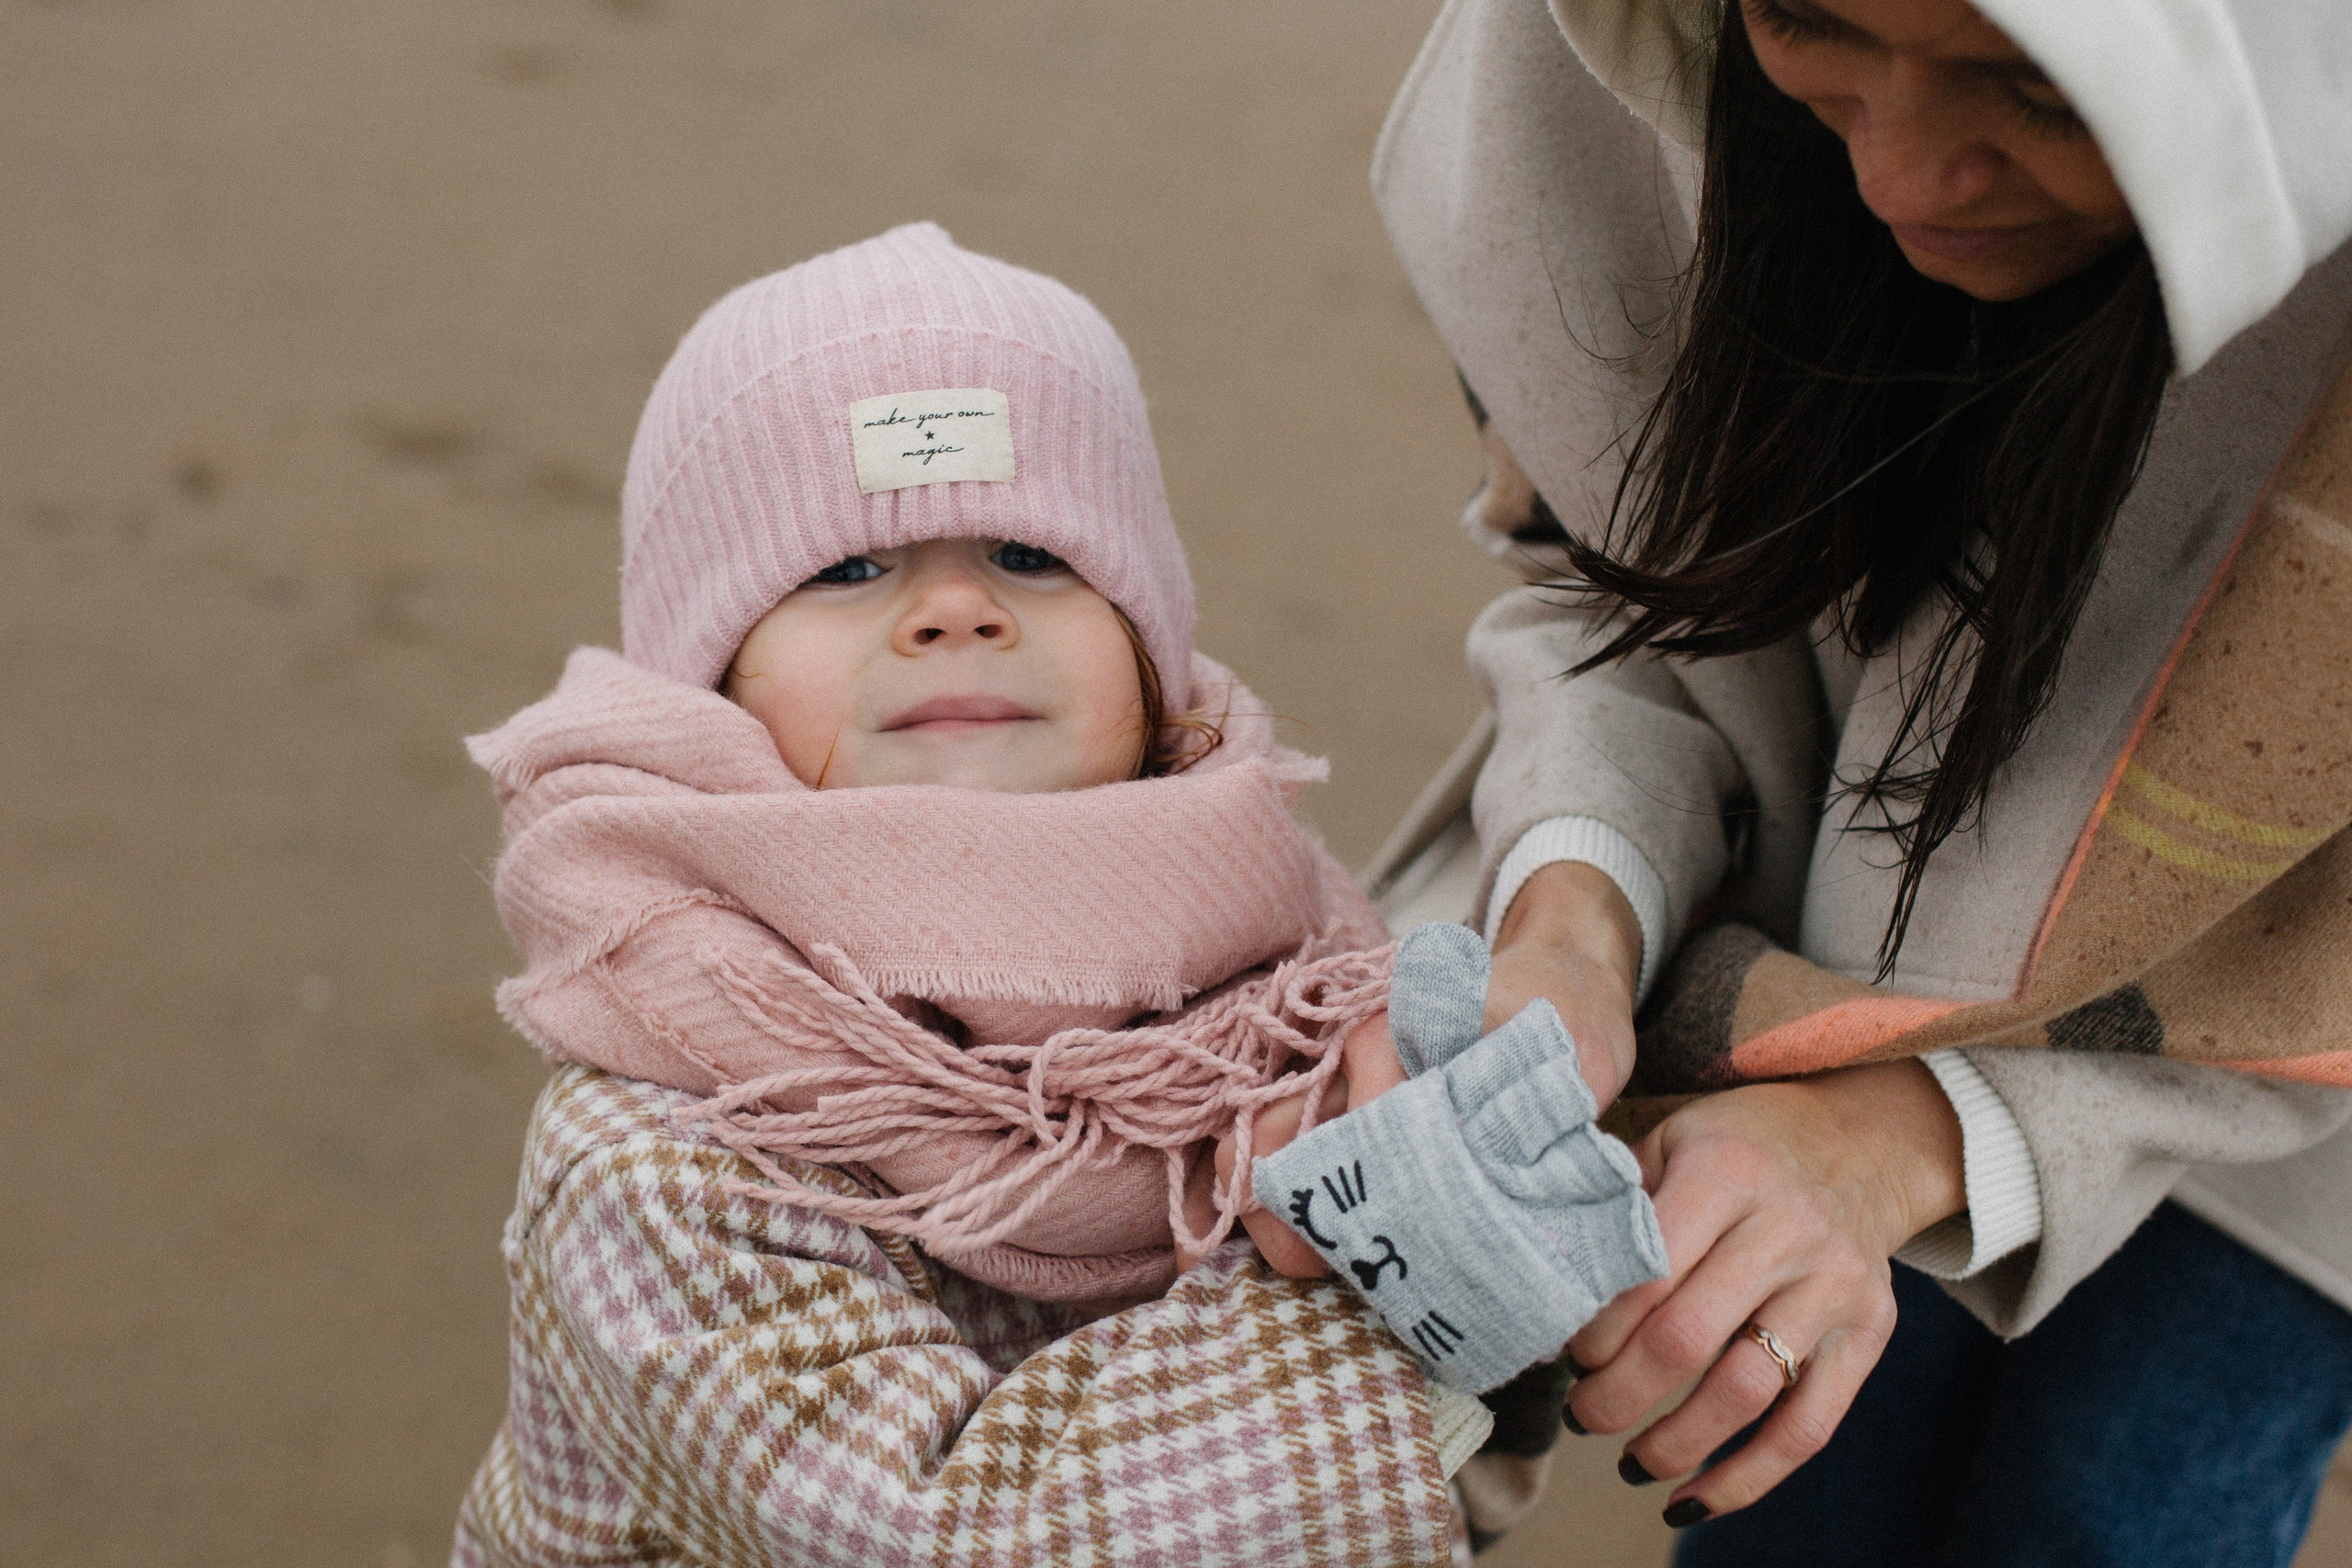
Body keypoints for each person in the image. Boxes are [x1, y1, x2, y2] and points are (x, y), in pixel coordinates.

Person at [1272, 0, 2352, 1560]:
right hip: (1820, 957)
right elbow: (1615, 585)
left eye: (2038, 88)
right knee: (1811, 1492)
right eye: (1804, 17)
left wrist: (1895, 1140)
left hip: (2300, 1101)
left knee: (2102, 1503)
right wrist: (1570, 921)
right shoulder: (1622, 99)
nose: (1904, 173)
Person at [449, 221, 1660, 1568]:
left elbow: (1459, 1460)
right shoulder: (659, 1139)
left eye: (1033, 559)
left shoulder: (1282, 973)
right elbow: (933, 1535)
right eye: (851, 571)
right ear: (710, 687)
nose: (956, 611)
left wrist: (1517, 1237)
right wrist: (1413, 1272)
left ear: (1150, 660)